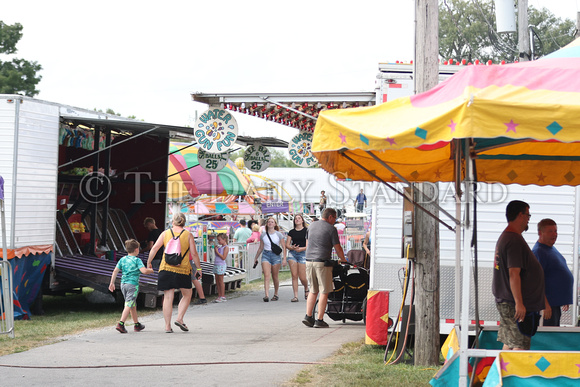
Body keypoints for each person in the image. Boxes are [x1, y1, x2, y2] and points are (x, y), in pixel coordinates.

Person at [492, 200, 547, 350]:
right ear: (521, 215)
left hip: (508, 301)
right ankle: (515, 374)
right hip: (512, 303)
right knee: (519, 345)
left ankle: (501, 373)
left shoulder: (508, 237)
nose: (529, 219)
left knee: (510, 343)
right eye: (528, 215)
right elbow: (514, 274)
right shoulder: (513, 239)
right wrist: (519, 303)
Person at [148, 213, 202, 333]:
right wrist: (198, 269)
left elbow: (155, 248)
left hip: (166, 268)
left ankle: (167, 326)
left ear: (173, 222)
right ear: (184, 222)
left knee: (168, 297)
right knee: (187, 294)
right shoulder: (188, 235)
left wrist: (149, 262)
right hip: (183, 269)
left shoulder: (165, 233)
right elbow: (194, 254)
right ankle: (180, 318)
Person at [302, 208, 347, 328]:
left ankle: (308, 316)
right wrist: (343, 259)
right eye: (335, 218)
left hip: (309, 261)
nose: (335, 221)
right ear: (330, 217)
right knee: (324, 291)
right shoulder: (331, 229)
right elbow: (337, 248)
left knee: (313, 290)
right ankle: (319, 320)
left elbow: (307, 244)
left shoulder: (311, 225)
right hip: (322, 263)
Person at [532, 218, 574, 326]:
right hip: (547, 307)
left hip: (554, 305)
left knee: (554, 333)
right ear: (540, 233)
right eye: (550, 231)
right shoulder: (539, 252)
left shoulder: (550, 249)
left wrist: (563, 297)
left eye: (556, 231)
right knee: (547, 338)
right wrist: (544, 304)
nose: (554, 234)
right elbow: (535, 282)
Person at [109, 239, 154, 333]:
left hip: (123, 284)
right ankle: (121, 324)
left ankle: (137, 324)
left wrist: (112, 283)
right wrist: (150, 270)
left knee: (132, 304)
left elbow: (115, 271)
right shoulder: (137, 260)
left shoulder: (123, 259)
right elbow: (144, 271)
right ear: (137, 249)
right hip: (133, 285)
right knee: (129, 304)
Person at [253, 217, 287, 302]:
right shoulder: (263, 235)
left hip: (275, 256)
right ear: (266, 224)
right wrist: (256, 257)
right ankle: (266, 295)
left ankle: (276, 293)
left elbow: (283, 247)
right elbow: (261, 247)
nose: (270, 223)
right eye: (268, 222)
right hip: (266, 254)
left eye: (272, 222)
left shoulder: (279, 234)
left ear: (275, 224)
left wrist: (284, 258)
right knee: (266, 275)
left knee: (275, 276)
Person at [285, 214, 309, 302]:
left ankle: (306, 287)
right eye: (295, 219)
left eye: (299, 218)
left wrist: (301, 249)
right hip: (293, 254)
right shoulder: (291, 232)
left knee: (302, 277)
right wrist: (292, 248)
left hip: (302, 253)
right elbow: (287, 244)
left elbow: (307, 245)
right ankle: (295, 296)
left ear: (302, 220)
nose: (297, 220)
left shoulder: (306, 231)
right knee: (294, 275)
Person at [212, 233, 229, 303]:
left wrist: (217, 252)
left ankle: (223, 295)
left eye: (219, 240)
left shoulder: (226, 247)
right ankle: (219, 295)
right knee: (217, 280)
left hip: (221, 265)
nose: (218, 242)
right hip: (216, 264)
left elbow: (223, 257)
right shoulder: (220, 247)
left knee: (221, 281)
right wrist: (216, 250)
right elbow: (217, 255)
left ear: (224, 240)